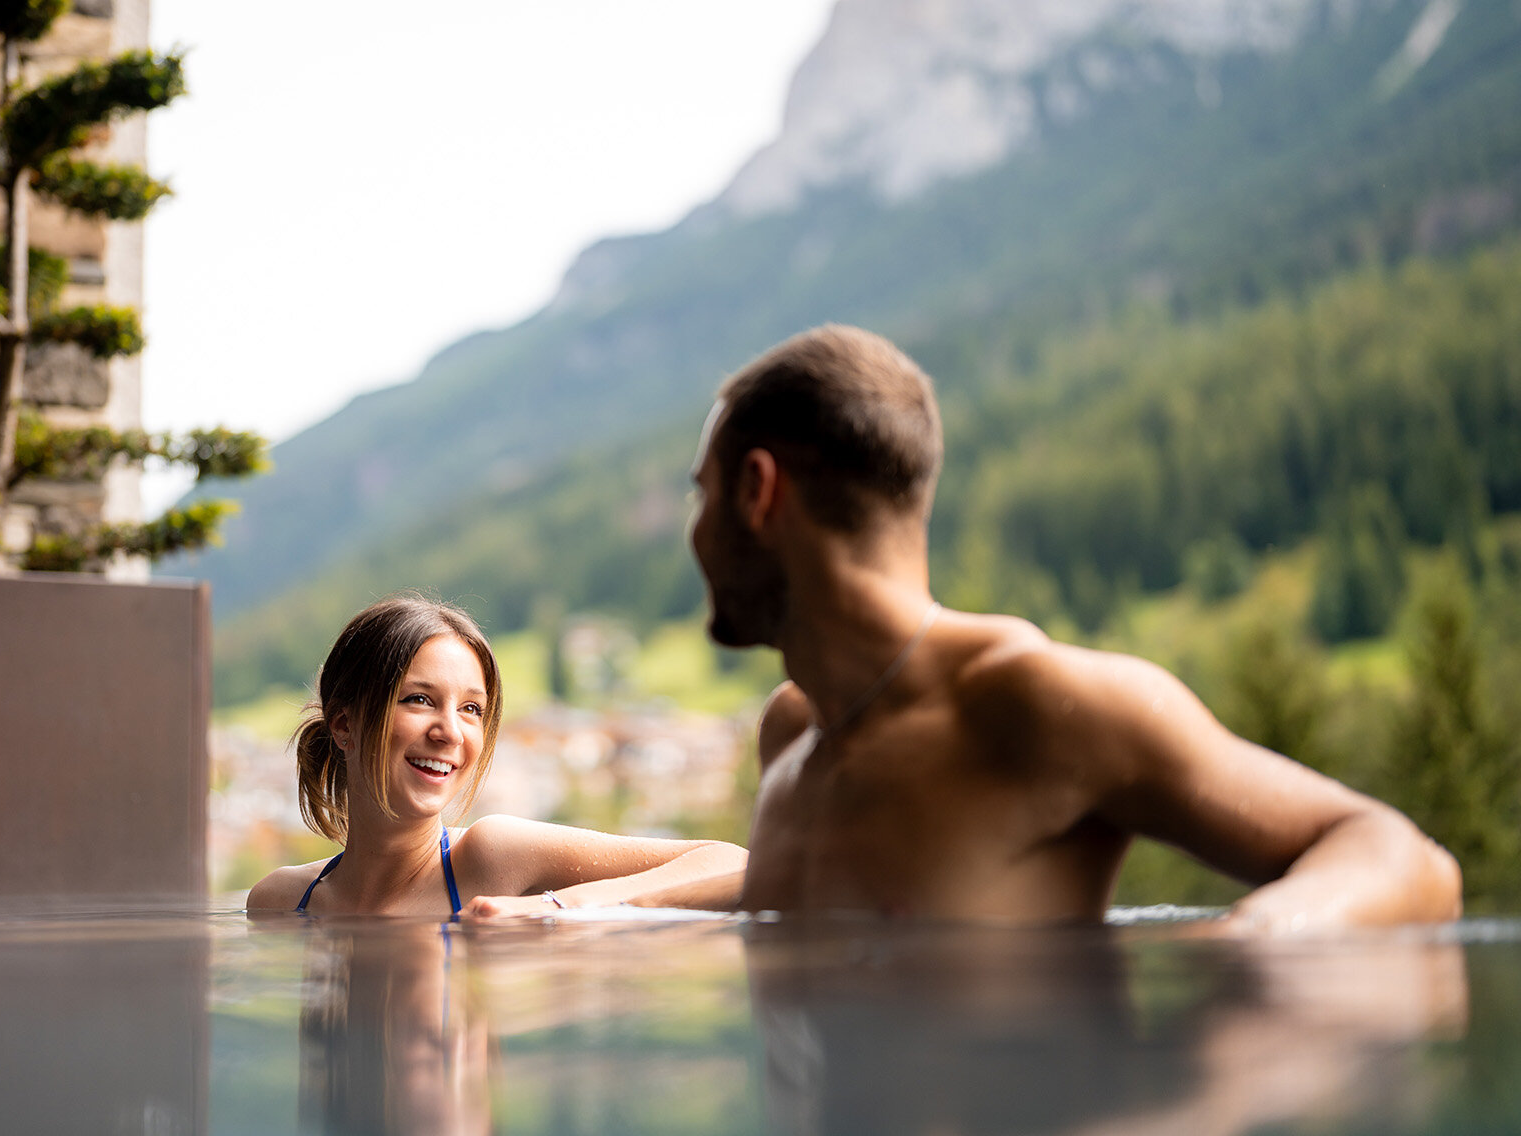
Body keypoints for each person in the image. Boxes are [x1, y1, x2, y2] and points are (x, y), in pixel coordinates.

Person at [629, 324, 1461, 931]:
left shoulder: (1033, 703)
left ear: (759, 491)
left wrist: (1254, 948)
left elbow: (1404, 856)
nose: (695, 533)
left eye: (704, 494)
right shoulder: (794, 734)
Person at [246, 594, 746, 917]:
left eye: (471, 709)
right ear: (344, 725)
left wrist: (563, 907)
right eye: (419, 699)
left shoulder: (490, 859)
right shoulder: (279, 903)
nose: (451, 733)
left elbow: (730, 861)